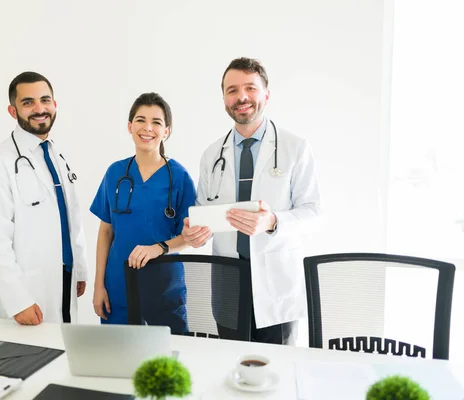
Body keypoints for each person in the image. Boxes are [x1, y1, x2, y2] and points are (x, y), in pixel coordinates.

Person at [181, 57, 321, 345]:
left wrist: (272, 221)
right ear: (224, 99)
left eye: (250, 88)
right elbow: (205, 212)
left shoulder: (295, 148)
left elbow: (313, 213)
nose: (241, 97)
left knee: (277, 373)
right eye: (232, 90)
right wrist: (194, 233)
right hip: (228, 279)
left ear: (266, 95)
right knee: (229, 369)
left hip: (275, 279)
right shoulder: (211, 154)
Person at [0, 71, 88, 326]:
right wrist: (18, 300)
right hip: (29, 292)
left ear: (54, 104)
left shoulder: (56, 155)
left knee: (63, 358)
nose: (39, 109)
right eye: (28, 103)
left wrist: (79, 268)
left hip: (64, 280)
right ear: (13, 111)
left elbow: (72, 217)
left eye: (45, 100)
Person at [90, 92, 197, 334]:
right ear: (130, 126)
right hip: (118, 285)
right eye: (140, 120)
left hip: (165, 287)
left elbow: (190, 236)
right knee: (119, 361)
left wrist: (159, 247)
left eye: (156, 122)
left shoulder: (178, 176)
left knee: (168, 362)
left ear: (166, 131)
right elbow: (106, 231)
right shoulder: (115, 173)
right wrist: (99, 286)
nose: (147, 128)